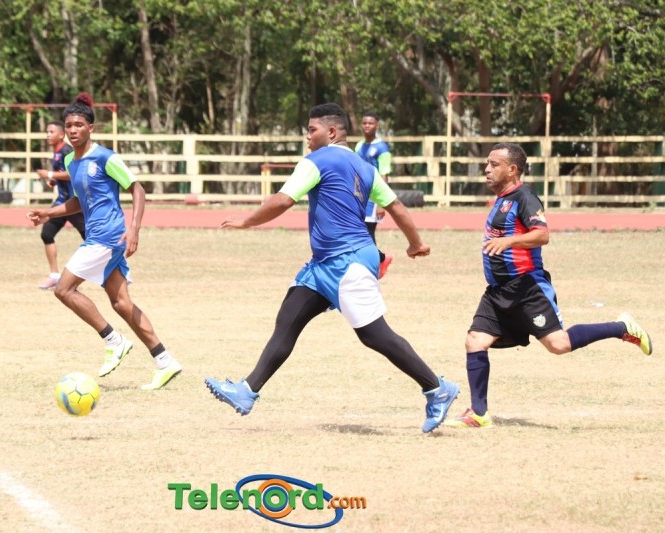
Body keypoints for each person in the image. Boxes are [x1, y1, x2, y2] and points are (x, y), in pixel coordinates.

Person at [204, 103, 459, 433]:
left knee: (375, 335)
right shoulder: (365, 168)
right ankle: (247, 390)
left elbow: (283, 199)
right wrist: (415, 243)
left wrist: (246, 222)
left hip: (348, 261)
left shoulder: (317, 160)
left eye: (312, 130)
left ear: (332, 132)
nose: (307, 137)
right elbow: (395, 205)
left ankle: (437, 388)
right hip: (325, 264)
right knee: (289, 318)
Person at [445, 142, 653, 429]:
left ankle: (622, 328)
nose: (487, 169)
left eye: (494, 164)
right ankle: (479, 413)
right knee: (475, 341)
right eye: (487, 163)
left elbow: (542, 235)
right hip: (497, 292)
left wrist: (509, 241)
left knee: (559, 344)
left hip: (526, 288)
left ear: (512, 169)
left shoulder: (525, 197)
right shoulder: (502, 199)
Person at [26, 93, 181, 390]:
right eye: (69, 125)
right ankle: (165, 361)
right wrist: (48, 213)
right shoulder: (70, 161)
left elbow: (137, 189)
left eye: (79, 125)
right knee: (121, 303)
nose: (73, 130)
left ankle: (114, 340)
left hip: (108, 235)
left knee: (63, 289)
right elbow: (78, 201)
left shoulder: (105, 157)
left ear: (91, 128)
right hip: (100, 236)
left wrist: (134, 229)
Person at [35, 120, 86, 289]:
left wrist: (50, 174)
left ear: (61, 135)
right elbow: (62, 176)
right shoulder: (57, 152)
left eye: (51, 132)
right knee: (47, 233)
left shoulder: (66, 151)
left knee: (91, 238)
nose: (48, 135)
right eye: (47, 132)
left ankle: (116, 270)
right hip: (62, 201)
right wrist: (54, 180)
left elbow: (73, 174)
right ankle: (55, 275)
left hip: (73, 203)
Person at [355, 112, 393, 279]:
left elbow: (384, 175)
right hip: (360, 195)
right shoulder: (359, 146)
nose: (367, 126)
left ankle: (378, 263)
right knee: (359, 231)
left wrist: (381, 203)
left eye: (370, 123)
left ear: (377, 125)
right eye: (364, 123)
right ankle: (375, 261)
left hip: (373, 197)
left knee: (367, 233)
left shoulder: (382, 148)